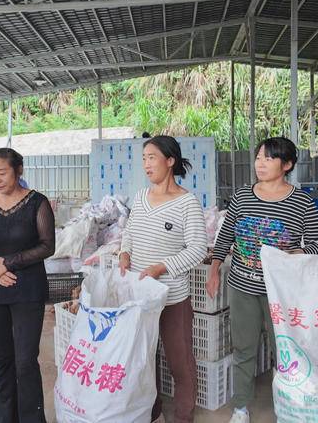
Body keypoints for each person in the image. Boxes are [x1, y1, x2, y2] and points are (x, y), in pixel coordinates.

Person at [208, 137, 318, 423]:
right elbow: (225, 237)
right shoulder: (242, 196)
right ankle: (240, 408)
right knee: (243, 349)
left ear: (286, 165)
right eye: (258, 157)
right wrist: (214, 269)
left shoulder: (301, 201)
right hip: (242, 287)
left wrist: (296, 252)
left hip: (281, 292)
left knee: (285, 351)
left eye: (268, 158)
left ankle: (290, 408)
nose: (260, 164)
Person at [118, 135, 208, 423]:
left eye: (152, 157)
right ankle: (152, 413)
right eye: (144, 158)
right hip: (140, 296)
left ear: (170, 161)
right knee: (144, 359)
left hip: (172, 297)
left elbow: (198, 249)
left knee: (179, 361)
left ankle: (183, 417)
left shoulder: (187, 203)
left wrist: (162, 267)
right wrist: (124, 252)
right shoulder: (140, 197)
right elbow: (129, 232)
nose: (146, 164)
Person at [0, 148, 55, 423]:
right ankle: (5, 418)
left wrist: (7, 263)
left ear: (19, 170)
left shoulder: (37, 203)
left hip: (28, 290)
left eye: (2, 173)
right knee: (2, 360)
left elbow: (47, 246)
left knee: (25, 361)